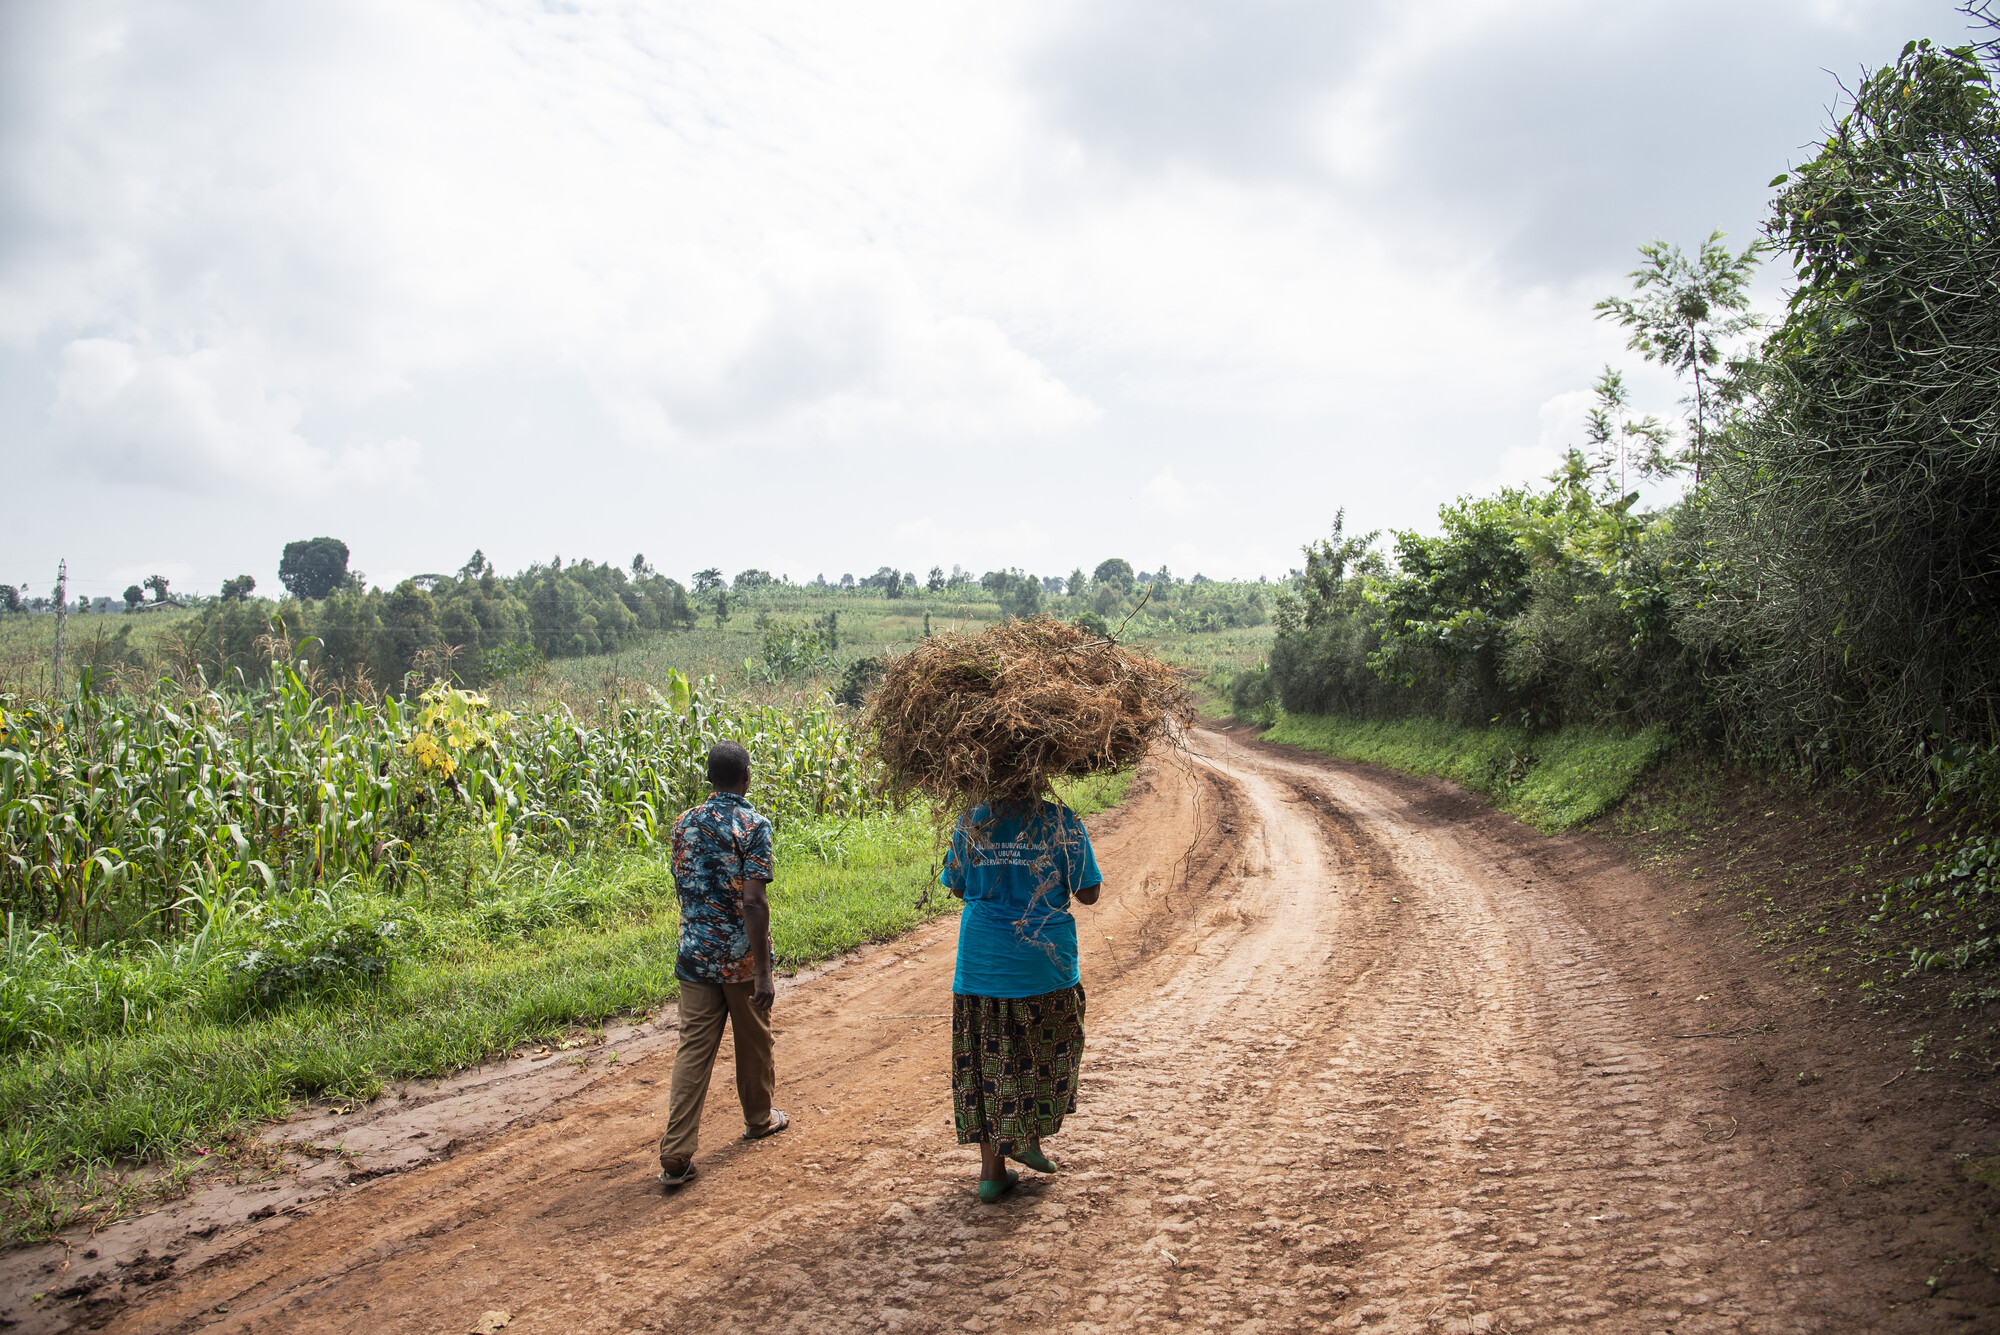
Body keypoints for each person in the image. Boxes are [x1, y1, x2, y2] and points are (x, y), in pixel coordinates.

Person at [941, 791, 1102, 1202]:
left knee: (986, 1060)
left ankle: (992, 1171)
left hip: (983, 964)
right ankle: (1026, 1135)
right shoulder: (1061, 821)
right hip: (1043, 966)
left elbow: (957, 888)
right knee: (1045, 1051)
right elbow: (1089, 893)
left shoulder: (971, 820)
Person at [657, 741, 790, 1188]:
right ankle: (758, 1120)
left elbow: (685, 885)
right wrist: (764, 971)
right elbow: (753, 901)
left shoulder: (683, 823)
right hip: (738, 960)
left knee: (693, 1049)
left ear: (710, 777)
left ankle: (676, 1152)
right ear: (746, 777)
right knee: (753, 1042)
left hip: (694, 956)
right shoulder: (753, 825)